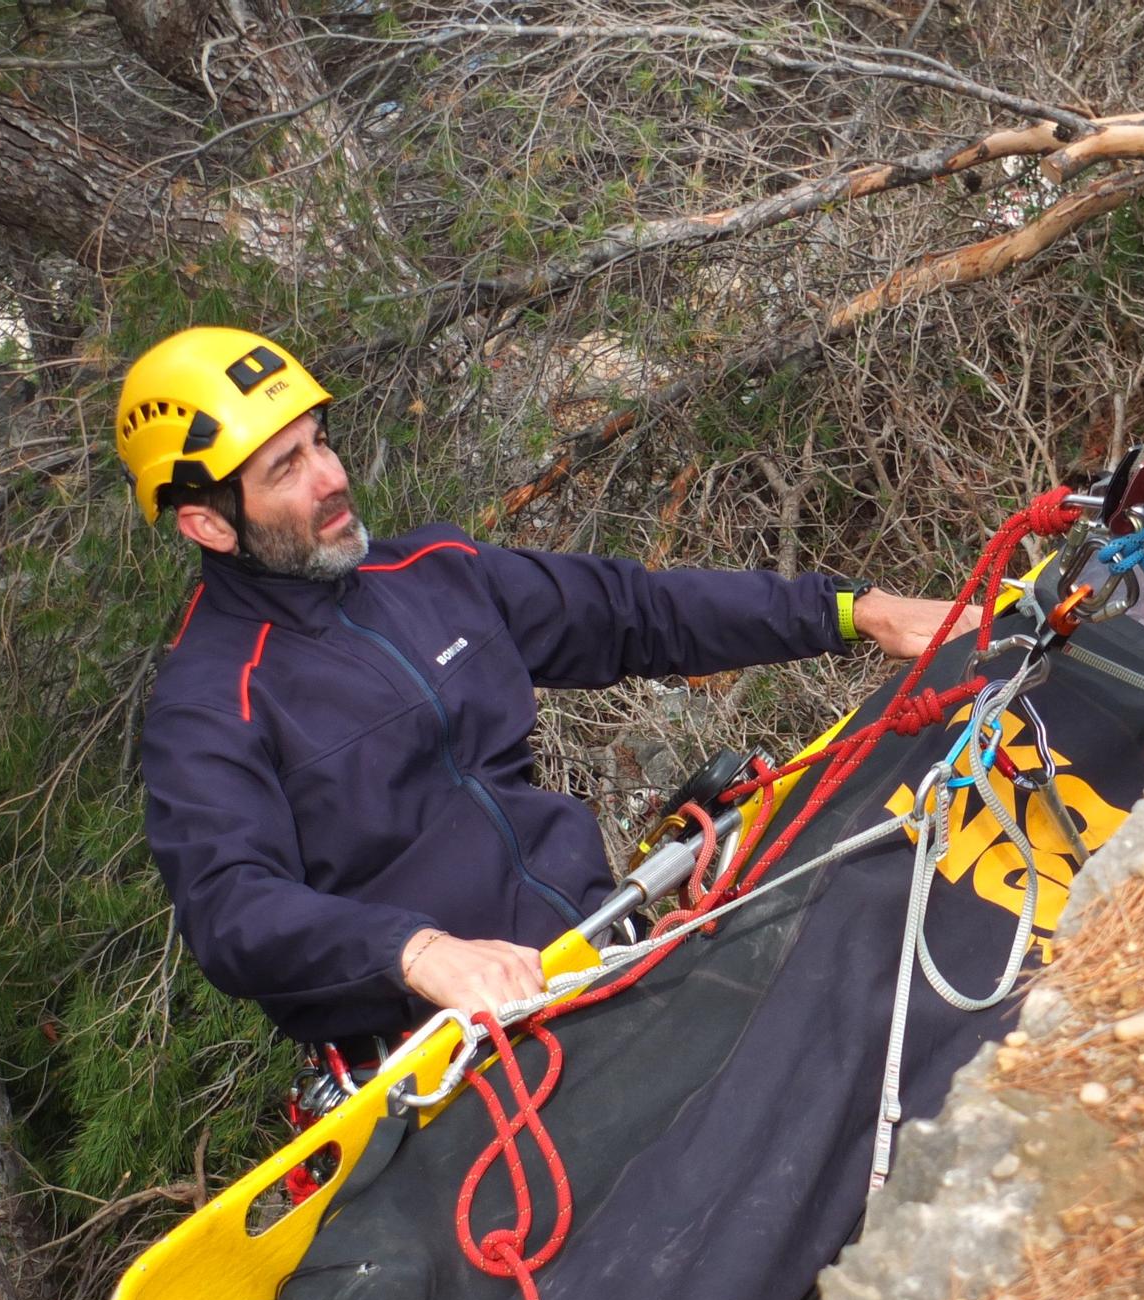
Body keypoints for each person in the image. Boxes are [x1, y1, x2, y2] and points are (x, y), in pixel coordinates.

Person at [118, 326, 961, 1049]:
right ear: (207, 522)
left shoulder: (430, 573)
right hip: (469, 1046)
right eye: (285, 468)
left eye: (320, 441)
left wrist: (860, 612)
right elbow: (231, 907)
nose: (330, 476)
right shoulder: (209, 706)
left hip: (613, 951)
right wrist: (415, 952)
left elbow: (637, 611)